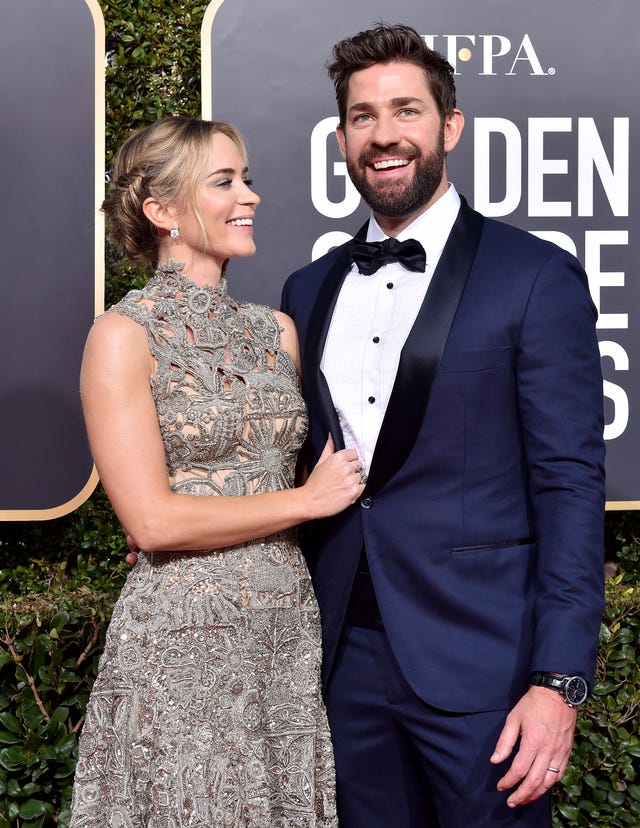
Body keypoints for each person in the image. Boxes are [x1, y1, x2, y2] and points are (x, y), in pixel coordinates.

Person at [280, 23, 606, 828]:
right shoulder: (307, 289)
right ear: (341, 138)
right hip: (342, 662)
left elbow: (569, 485)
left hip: (485, 664)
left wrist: (558, 682)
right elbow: (293, 464)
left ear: (449, 127)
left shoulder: (534, 275)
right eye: (363, 116)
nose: (383, 135)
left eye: (406, 111)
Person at [70, 115, 365, 827]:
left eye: (247, 179)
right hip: (183, 642)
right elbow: (152, 521)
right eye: (224, 182)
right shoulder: (121, 336)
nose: (249, 196)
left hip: (286, 634)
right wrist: (306, 501)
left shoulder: (277, 331)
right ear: (161, 210)